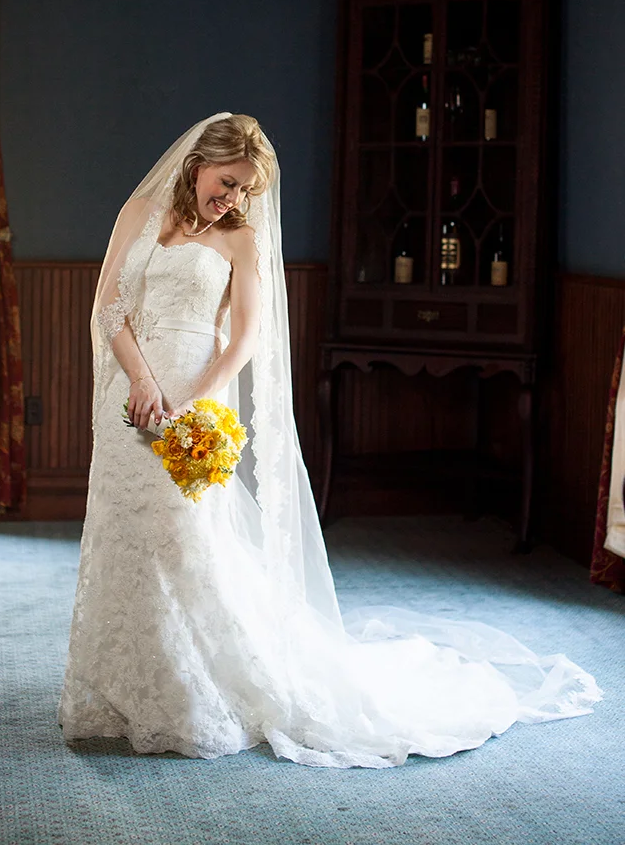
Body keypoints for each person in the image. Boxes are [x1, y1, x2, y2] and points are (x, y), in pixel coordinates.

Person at [59, 112, 600, 768]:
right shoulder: (140, 210)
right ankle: (121, 692)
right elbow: (108, 306)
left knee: (185, 541)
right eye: (227, 183)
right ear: (201, 161)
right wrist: (142, 383)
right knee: (126, 535)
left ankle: (188, 692)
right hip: (132, 400)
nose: (230, 200)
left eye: (243, 192)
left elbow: (243, 342)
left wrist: (188, 404)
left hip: (195, 404)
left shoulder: (242, 240)